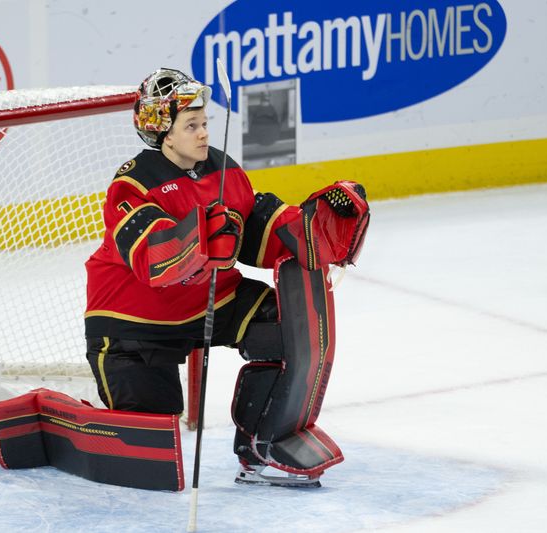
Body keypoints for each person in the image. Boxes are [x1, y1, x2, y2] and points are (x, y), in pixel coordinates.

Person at [84, 68, 369, 487]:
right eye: (191, 126)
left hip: (209, 300)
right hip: (134, 323)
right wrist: (195, 241)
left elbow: (257, 230)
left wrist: (315, 228)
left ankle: (262, 444)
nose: (203, 134)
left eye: (204, 123)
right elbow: (150, 258)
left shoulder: (222, 169)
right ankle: (83, 420)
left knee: (286, 325)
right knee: (153, 449)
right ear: (164, 133)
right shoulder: (132, 184)